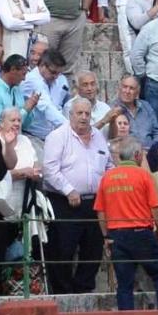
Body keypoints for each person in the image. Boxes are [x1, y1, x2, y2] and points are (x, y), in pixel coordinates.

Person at [42, 98, 111, 295]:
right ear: (70, 115)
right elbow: (49, 169)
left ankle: (83, 288)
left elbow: (108, 165)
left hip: (94, 202)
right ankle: (62, 292)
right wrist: (69, 189)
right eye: (79, 113)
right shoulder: (58, 136)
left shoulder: (97, 135)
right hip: (65, 201)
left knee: (93, 248)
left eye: (87, 114)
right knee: (63, 249)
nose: (83, 117)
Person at [94, 136, 158, 310]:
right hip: (141, 233)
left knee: (124, 283)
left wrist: (106, 236)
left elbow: (100, 210)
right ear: (137, 155)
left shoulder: (107, 177)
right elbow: (156, 208)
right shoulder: (144, 176)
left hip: (116, 236)